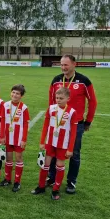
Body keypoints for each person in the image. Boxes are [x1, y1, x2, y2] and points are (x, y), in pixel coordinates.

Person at [47, 54, 97, 194]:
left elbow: (92, 101)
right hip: (57, 124)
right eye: (61, 64)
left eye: (66, 65)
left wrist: (88, 120)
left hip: (76, 125)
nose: (63, 67)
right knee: (54, 152)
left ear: (74, 64)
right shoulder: (56, 80)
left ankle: (71, 182)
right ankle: (52, 178)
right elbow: (51, 101)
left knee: (74, 154)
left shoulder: (83, 81)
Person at [33, 87, 79, 200]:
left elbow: (73, 132)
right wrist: (42, 141)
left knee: (60, 166)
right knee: (45, 164)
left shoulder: (72, 112)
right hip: (50, 142)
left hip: (63, 144)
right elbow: (45, 126)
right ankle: (41, 186)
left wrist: (70, 149)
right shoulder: (51, 108)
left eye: (61, 98)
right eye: (57, 98)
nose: (58, 100)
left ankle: (55, 190)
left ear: (68, 98)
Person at [0, 84, 30, 192]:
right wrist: (2, 136)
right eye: (13, 92)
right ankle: (7, 179)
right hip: (7, 137)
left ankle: (17, 181)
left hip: (18, 138)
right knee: (8, 158)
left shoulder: (24, 108)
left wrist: (24, 139)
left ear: (21, 96)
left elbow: (26, 125)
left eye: (17, 93)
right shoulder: (5, 105)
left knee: (19, 158)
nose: (15, 95)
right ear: (10, 93)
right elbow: (2, 121)